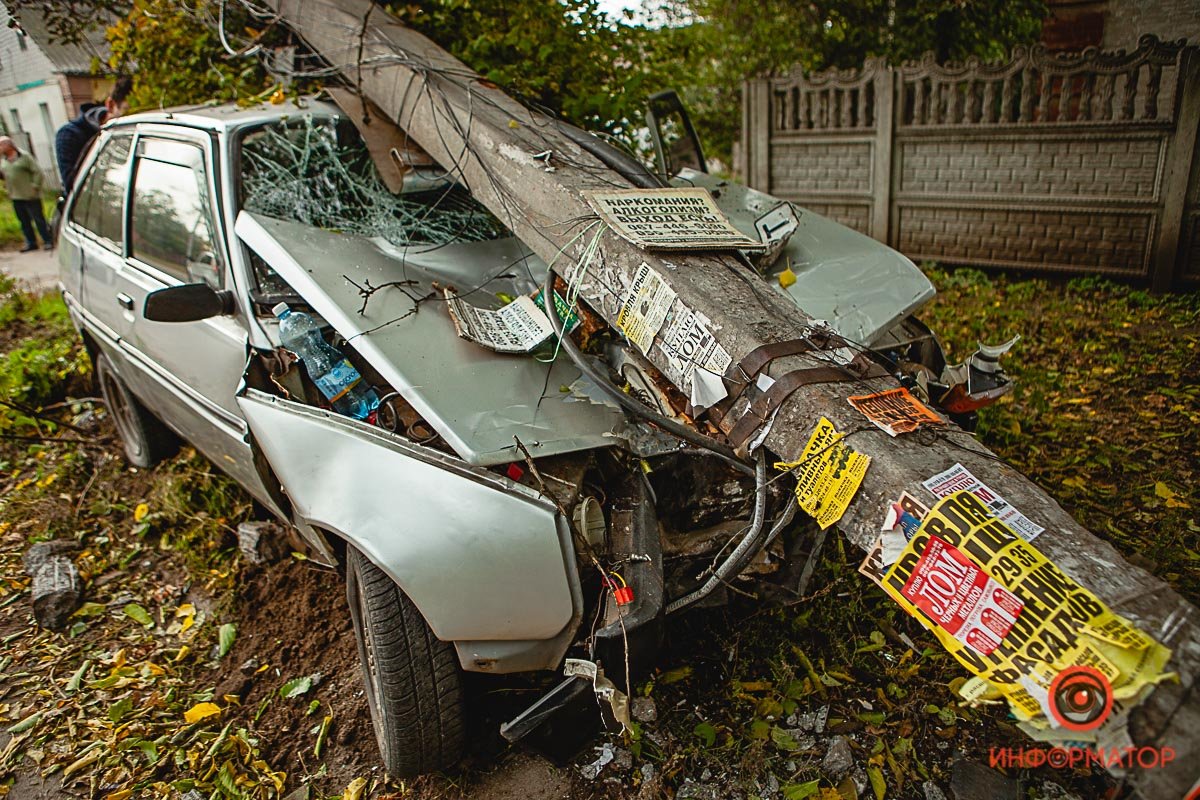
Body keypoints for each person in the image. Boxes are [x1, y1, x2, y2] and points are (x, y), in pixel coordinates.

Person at [55, 75, 133, 192]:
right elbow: (75, 189)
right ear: (110, 105)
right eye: (127, 115)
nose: (132, 124)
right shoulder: (70, 136)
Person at [0, 136, 52, 252]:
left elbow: (37, 172)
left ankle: (48, 240)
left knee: (38, 219)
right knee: (24, 221)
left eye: (1, 145)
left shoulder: (24, 157)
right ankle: (31, 242)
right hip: (15, 195)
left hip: (30, 195)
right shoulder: (3, 160)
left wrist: (35, 186)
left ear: (9, 145)